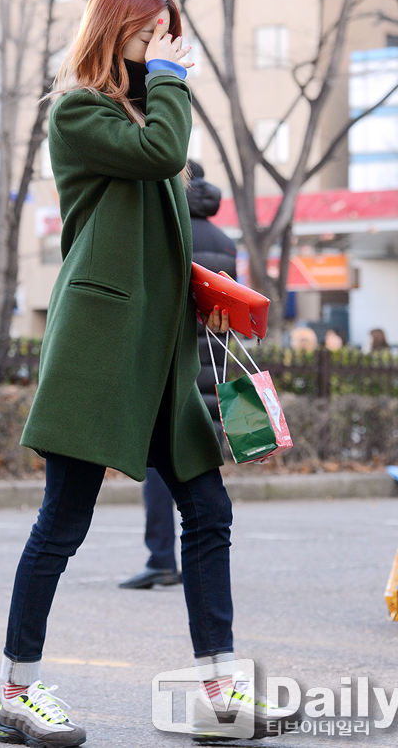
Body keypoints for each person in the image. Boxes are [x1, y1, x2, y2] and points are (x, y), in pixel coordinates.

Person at [0, 0, 294, 747]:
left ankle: (219, 695)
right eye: (149, 30)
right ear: (114, 29)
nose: (163, 43)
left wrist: (203, 288)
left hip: (160, 355)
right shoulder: (80, 111)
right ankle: (16, 692)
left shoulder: (150, 107)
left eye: (168, 31)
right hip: (97, 350)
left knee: (209, 510)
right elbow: (162, 153)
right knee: (63, 521)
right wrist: (169, 79)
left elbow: (159, 196)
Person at [119, 162, 237, 590]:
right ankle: (201, 562)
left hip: (174, 361)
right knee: (200, 468)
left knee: (157, 468)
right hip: (214, 363)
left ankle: (162, 558)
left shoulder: (168, 227)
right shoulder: (225, 242)